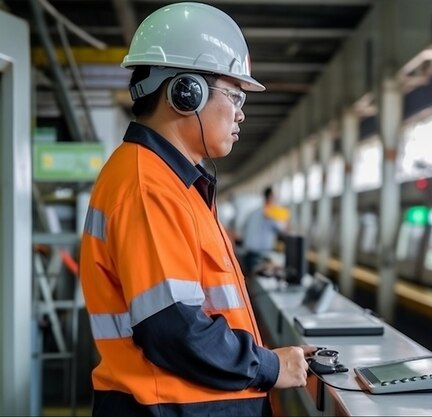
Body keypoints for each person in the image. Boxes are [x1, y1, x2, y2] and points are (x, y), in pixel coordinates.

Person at [79, 3, 314, 416]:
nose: (241, 113)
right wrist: (269, 365)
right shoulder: (147, 186)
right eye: (235, 95)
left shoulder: (176, 184)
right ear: (186, 93)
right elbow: (173, 329)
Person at [240, 186, 289, 277]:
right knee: (256, 285)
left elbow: (243, 229)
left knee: (248, 283)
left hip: (248, 254)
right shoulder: (271, 213)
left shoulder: (253, 212)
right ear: (270, 197)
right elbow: (283, 231)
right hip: (260, 256)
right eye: (275, 197)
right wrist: (286, 221)